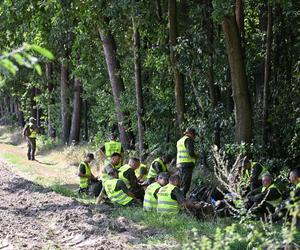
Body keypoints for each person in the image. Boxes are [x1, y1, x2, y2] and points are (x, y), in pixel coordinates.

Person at [176, 127, 199, 196]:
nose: (194, 136)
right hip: (186, 165)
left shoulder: (180, 141)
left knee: (181, 184)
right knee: (185, 185)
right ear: (191, 133)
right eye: (194, 135)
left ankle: (181, 201)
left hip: (180, 164)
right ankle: (182, 203)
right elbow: (191, 153)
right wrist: (197, 156)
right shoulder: (188, 140)